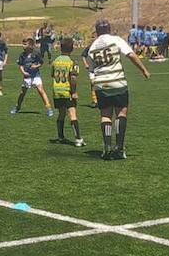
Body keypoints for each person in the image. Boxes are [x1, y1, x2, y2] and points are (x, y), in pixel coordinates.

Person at [87, 19, 150, 160]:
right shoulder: (116, 40)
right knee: (121, 113)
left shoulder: (92, 47)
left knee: (105, 115)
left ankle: (107, 147)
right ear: (109, 29)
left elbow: (91, 69)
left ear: (97, 32)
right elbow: (131, 54)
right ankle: (119, 148)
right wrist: (144, 70)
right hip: (118, 82)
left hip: (101, 84)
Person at [49, 38, 85, 146]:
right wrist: (73, 92)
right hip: (67, 91)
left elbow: (52, 74)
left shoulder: (55, 61)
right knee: (72, 114)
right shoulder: (72, 62)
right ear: (72, 48)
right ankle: (78, 139)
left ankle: (60, 137)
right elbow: (73, 78)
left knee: (61, 114)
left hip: (57, 90)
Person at [11, 38, 54, 116]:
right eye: (23, 44)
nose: (23, 46)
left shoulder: (36, 53)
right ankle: (17, 107)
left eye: (25, 44)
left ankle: (49, 108)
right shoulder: (22, 55)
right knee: (22, 93)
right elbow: (20, 65)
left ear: (30, 45)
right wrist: (23, 72)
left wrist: (36, 66)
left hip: (36, 76)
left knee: (41, 90)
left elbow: (41, 63)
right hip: (27, 77)